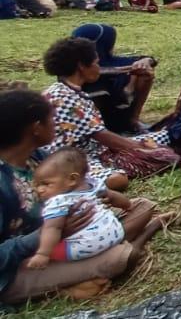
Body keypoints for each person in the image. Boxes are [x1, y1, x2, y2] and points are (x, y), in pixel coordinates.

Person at [0, 90, 161, 304]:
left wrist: (92, 199)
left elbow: (75, 189)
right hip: (19, 265)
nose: (55, 124)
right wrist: (44, 236)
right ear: (36, 128)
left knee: (141, 206)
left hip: (69, 239)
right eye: (51, 119)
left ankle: (89, 260)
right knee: (119, 257)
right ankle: (62, 288)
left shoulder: (39, 158)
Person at [41, 38, 178, 190]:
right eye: (96, 63)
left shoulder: (70, 90)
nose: (98, 68)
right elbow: (104, 137)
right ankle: (74, 186)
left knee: (165, 135)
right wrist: (144, 148)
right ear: (81, 66)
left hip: (96, 149)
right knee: (118, 180)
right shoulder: (63, 98)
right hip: (73, 159)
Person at [28, 148, 129, 271]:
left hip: (84, 247)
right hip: (115, 232)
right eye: (38, 185)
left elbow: (53, 227)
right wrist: (127, 206)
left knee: (48, 251)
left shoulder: (58, 202)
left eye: (46, 184)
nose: (39, 190)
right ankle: (118, 251)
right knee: (143, 206)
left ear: (72, 179)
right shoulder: (94, 184)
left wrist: (42, 254)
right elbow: (114, 196)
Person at [70, 24, 157, 135]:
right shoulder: (72, 68)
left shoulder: (108, 60)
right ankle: (111, 129)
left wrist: (145, 61)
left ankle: (133, 120)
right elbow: (98, 71)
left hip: (117, 112)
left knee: (145, 73)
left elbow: (149, 60)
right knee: (97, 89)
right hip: (94, 127)